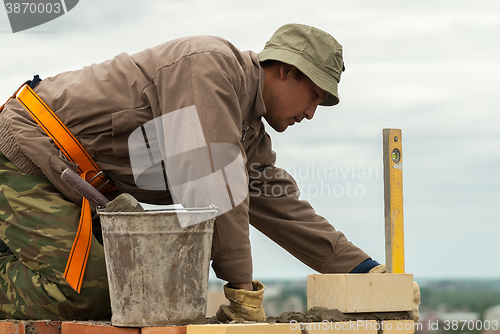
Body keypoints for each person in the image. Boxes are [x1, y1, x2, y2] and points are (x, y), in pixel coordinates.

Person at [0, 23, 393, 321]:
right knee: (96, 291)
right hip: (24, 156)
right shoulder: (211, 69)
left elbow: (283, 207)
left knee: (138, 291)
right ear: (286, 70)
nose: (310, 113)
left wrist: (365, 271)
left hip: (72, 186)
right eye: (315, 96)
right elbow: (213, 181)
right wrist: (241, 293)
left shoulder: (248, 132)